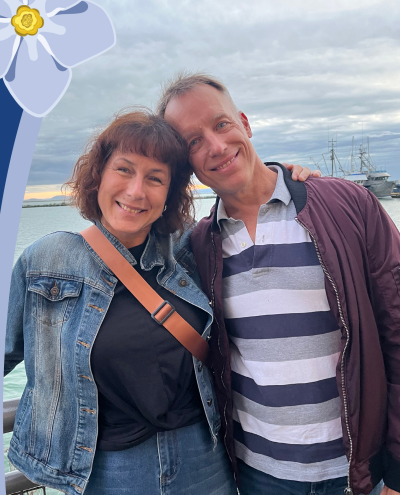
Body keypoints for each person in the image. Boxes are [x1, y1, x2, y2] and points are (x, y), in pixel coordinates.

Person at [4, 109, 316, 494]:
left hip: (204, 458)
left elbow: (252, 218)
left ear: (170, 194)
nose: (136, 191)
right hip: (106, 470)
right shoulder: (48, 260)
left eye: (155, 178)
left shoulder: (189, 248)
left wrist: (289, 181)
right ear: (98, 174)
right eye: (124, 170)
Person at [158, 71, 398, 495]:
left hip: (358, 470)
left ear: (245, 123)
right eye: (193, 141)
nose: (216, 146)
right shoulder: (199, 245)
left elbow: (396, 329)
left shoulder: (347, 205)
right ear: (186, 165)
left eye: (221, 124)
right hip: (259, 475)